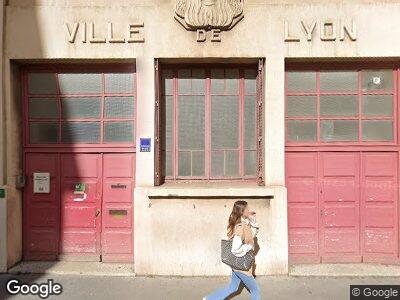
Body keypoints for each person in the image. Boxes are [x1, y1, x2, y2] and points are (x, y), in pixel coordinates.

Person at [204, 200, 261, 300]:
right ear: (242, 211)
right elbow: (235, 249)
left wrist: (253, 221)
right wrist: (249, 247)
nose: (249, 210)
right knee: (255, 290)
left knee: (232, 288)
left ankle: (209, 299)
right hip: (242, 266)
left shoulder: (244, 223)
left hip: (236, 265)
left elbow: (251, 235)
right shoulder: (240, 227)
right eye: (247, 209)